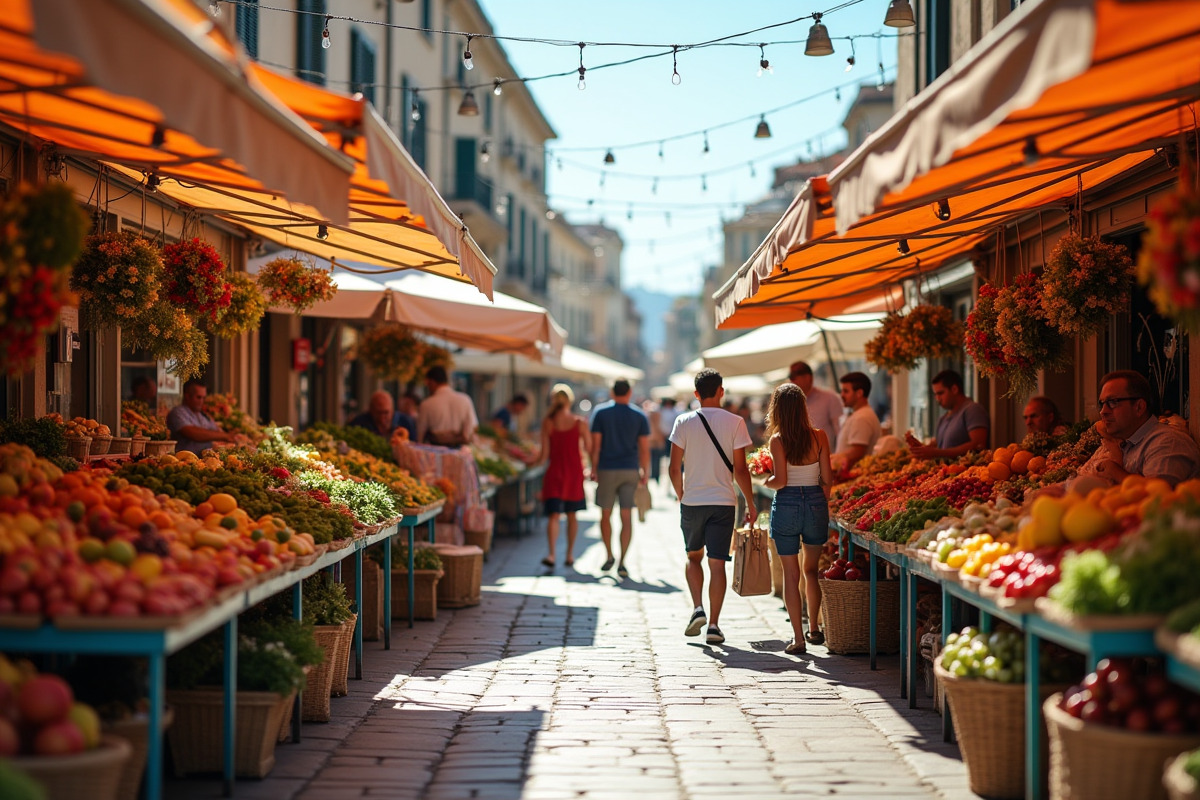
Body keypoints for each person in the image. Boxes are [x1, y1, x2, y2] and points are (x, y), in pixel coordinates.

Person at [668, 369, 757, 646]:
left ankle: (697, 608)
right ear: (721, 391)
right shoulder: (736, 422)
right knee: (717, 564)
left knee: (693, 558)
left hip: (693, 501)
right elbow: (741, 469)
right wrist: (751, 503)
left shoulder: (683, 421)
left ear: (696, 394)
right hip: (723, 502)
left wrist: (682, 494)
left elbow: (673, 468)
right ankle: (715, 626)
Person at [762, 382, 834, 655]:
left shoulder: (777, 440)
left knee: (791, 576)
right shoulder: (820, 436)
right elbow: (827, 480)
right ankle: (814, 628)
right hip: (815, 502)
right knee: (811, 571)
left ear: (777, 410)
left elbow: (780, 481)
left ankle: (798, 638)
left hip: (788, 504)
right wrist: (818, 498)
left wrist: (765, 480)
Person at [1075, 370, 1200, 488]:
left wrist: (1115, 471)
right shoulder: (1126, 443)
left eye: (1113, 402)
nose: (1103, 412)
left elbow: (1157, 496)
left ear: (1139, 407)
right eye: (1102, 404)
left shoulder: (1168, 442)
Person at [589, 378, 651, 578]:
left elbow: (595, 445)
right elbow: (644, 448)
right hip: (630, 469)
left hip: (606, 468)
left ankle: (609, 555)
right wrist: (645, 471)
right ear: (630, 392)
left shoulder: (600, 413)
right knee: (627, 516)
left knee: (605, 514)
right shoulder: (639, 416)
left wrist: (593, 468)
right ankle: (623, 561)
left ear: (612, 392)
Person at [537, 384, 589, 568]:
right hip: (574, 473)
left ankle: (551, 554)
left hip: (555, 472)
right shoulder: (579, 422)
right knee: (572, 515)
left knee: (553, 515)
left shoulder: (548, 422)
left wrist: (529, 461)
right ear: (570, 400)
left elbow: (543, 455)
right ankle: (569, 554)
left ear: (553, 400)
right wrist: (591, 469)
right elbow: (588, 450)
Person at [906, 369, 990, 459]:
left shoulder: (972, 409)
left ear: (954, 389)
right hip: (944, 471)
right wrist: (920, 449)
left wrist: (937, 453)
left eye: (940, 393)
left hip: (968, 471)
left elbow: (978, 444)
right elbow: (937, 445)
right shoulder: (943, 418)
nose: (937, 398)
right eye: (935, 394)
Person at [166, 379, 240, 455]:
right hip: (184, 462)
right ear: (187, 396)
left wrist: (234, 437)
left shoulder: (203, 415)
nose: (202, 401)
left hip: (206, 461)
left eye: (204, 398)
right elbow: (193, 433)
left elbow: (218, 431)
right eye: (198, 397)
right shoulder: (177, 413)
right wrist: (225, 436)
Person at [417, 365, 478, 446]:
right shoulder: (465, 399)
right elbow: (472, 428)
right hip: (459, 452)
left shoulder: (426, 404)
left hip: (434, 452)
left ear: (431, 382)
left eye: (427, 384)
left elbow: (420, 436)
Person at [834, 371, 882, 472]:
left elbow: (857, 452)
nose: (841, 395)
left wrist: (832, 462)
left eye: (846, 391)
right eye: (841, 391)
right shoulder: (859, 414)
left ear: (859, 393)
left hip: (853, 478)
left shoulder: (862, 417)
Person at [788, 361, 842, 441]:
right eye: (790, 377)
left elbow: (840, 431)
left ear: (808, 377)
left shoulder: (829, 397)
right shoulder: (790, 405)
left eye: (794, 376)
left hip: (830, 453)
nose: (791, 381)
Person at [348, 390, 416, 441]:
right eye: (378, 413)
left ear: (392, 410)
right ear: (371, 410)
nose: (382, 417)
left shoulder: (406, 422)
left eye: (386, 413)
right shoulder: (359, 423)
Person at [655, 397, 681, 487]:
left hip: (671, 437)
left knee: (671, 460)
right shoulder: (663, 412)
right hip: (665, 437)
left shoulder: (674, 412)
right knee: (665, 460)